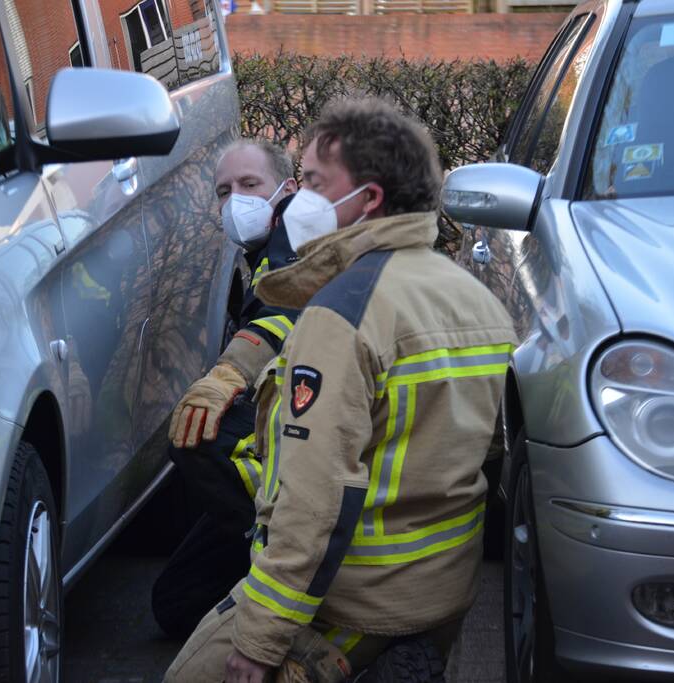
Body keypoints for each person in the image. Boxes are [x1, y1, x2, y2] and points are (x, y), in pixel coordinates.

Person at [165, 98, 518, 683]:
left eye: (310, 183)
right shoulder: (478, 303)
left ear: (368, 199)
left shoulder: (339, 315)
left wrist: (259, 641)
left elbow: (312, 502)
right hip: (443, 594)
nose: (297, 200)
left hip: (354, 600)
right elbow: (486, 455)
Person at [152, 139, 300, 639]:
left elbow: (285, 313)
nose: (236, 200)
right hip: (278, 416)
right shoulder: (259, 253)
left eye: (250, 185)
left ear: (288, 189)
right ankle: (253, 541)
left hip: (306, 426)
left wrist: (229, 373)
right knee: (174, 603)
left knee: (201, 433)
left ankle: (286, 543)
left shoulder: (297, 238)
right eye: (224, 191)